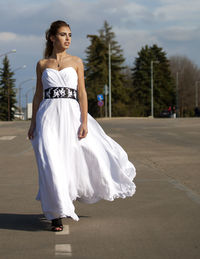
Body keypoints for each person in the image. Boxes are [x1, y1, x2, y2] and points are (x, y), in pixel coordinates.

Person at [28, 20, 136, 232]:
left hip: (71, 115)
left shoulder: (77, 62)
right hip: (47, 116)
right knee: (49, 162)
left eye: (69, 34)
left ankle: (62, 202)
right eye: (62, 34)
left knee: (68, 161)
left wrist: (84, 120)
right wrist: (32, 123)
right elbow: (38, 94)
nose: (67, 38)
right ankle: (55, 215)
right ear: (52, 37)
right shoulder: (42, 64)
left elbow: (82, 93)